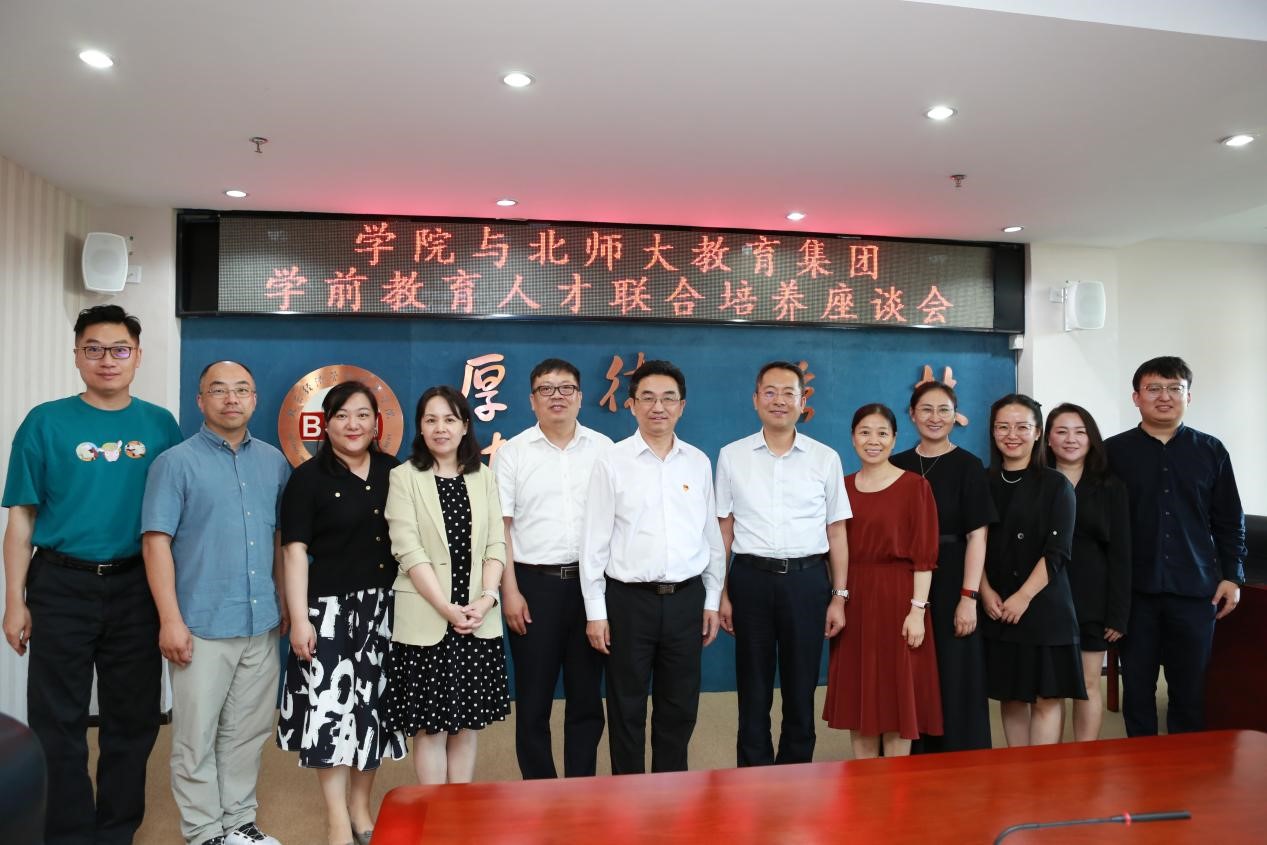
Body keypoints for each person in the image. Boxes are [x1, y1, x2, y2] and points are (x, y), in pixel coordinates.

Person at [2, 305, 182, 845]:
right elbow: (21, 520)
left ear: (138, 356)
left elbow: (177, 518)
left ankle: (116, 830)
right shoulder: (44, 422)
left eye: (120, 349)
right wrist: (14, 600)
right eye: (94, 349)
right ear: (77, 355)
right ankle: (69, 832)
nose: (108, 360)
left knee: (134, 717)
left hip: (136, 586)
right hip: (60, 584)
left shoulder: (161, 425)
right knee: (57, 718)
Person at [141, 360, 291, 845]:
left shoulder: (273, 462)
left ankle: (238, 822)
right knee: (195, 737)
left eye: (242, 390)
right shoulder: (174, 463)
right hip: (200, 623)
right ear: (200, 400)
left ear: (254, 400)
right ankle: (204, 831)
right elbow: (156, 542)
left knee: (247, 731)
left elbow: (278, 539)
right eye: (219, 390)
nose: (231, 399)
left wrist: (283, 598)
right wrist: (169, 620)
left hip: (260, 621)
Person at [276, 381, 407, 845]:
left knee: (372, 711)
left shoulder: (395, 472)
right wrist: (300, 619)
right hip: (328, 612)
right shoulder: (308, 478)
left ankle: (359, 807)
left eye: (362, 415)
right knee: (330, 713)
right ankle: (335, 817)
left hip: (385, 610)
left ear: (376, 423)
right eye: (342, 415)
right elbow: (294, 552)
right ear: (325, 424)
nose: (353, 424)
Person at [580, 359, 725, 774]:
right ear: (632, 405)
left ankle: (671, 793)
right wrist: (595, 612)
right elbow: (594, 541)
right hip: (629, 602)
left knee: (679, 706)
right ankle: (628, 795)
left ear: (682, 406)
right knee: (626, 706)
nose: (658, 407)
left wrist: (712, 600)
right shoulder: (612, 461)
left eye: (668, 398)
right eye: (647, 398)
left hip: (686, 600)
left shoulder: (697, 461)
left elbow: (710, 537)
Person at [715, 361, 849, 766]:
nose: (779, 401)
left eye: (788, 392)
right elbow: (724, 531)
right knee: (752, 689)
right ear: (756, 399)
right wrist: (720, 593)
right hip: (750, 580)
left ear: (802, 401)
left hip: (807, 583)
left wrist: (839, 596)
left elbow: (836, 533)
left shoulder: (825, 458)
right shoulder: (732, 456)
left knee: (801, 688)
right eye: (769, 392)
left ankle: (796, 775)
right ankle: (753, 776)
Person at [1105, 356, 1245, 736]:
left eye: (1174, 389)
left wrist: (1232, 576)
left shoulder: (1211, 451)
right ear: (1136, 397)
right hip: (1135, 593)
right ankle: (1142, 763)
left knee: (1189, 692)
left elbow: (1230, 521)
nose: (1164, 397)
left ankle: (1185, 765)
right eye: (1154, 389)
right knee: (1138, 690)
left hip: (1195, 591)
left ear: (1188, 396)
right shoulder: (1113, 452)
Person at [382, 386, 510, 784]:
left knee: (467, 726)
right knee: (431, 728)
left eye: (450, 419)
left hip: (475, 618)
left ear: (465, 426)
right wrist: (445, 607)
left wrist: (487, 599)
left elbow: (496, 544)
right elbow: (408, 549)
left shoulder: (483, 477)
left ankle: (459, 810)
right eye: (431, 420)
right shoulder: (403, 477)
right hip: (428, 618)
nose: (441, 428)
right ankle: (434, 813)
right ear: (420, 427)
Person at [491, 359, 611, 779]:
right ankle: (538, 788)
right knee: (534, 697)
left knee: (586, 696)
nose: (556, 396)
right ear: (532, 400)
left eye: (565, 388)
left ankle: (581, 786)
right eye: (546, 389)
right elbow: (501, 528)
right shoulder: (512, 453)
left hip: (590, 587)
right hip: (532, 587)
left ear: (580, 397)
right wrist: (509, 592)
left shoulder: (604, 449)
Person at [823, 403, 941, 759]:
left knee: (896, 698)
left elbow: (924, 557)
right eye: (864, 432)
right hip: (853, 600)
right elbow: (831, 548)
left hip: (898, 600)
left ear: (894, 439)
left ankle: (895, 784)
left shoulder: (915, 487)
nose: (873, 440)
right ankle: (866, 782)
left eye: (882, 433)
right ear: (852, 438)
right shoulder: (841, 488)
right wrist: (837, 598)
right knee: (860, 700)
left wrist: (918, 611)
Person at [892, 381, 996, 752]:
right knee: (911, 667)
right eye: (926, 409)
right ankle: (912, 754)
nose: (935, 418)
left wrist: (969, 596)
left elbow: (978, 537)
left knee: (955, 669)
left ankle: (958, 757)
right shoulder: (896, 465)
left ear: (955, 416)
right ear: (912, 414)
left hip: (953, 577)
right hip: (905, 579)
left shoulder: (969, 466)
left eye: (944, 410)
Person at [979, 394, 1084, 747]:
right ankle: (1016, 768)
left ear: (1038, 432)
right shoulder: (982, 481)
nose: (1012, 435)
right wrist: (985, 592)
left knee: (1045, 696)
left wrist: (1023, 596)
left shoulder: (1056, 484)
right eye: (1003, 427)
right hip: (996, 603)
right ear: (993, 432)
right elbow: (973, 544)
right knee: (1011, 695)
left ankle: (1043, 772)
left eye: (1022, 427)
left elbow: (1058, 551)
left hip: (1044, 605)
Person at [1045, 403, 1131, 742]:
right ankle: (1049, 757)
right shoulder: (1037, 481)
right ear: (1047, 438)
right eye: (1062, 431)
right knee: (1050, 688)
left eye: (1080, 432)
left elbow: (1122, 554)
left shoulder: (1111, 486)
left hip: (1093, 598)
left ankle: (1085, 757)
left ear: (1092, 438)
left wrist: (1118, 613)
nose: (1071, 439)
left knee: (1088, 683)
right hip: (1043, 597)